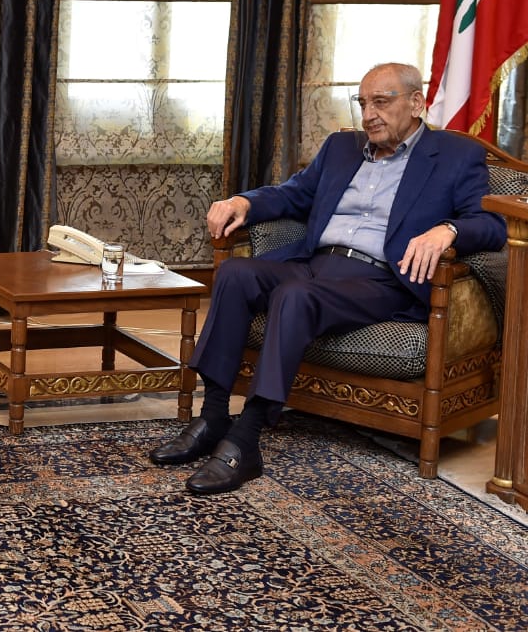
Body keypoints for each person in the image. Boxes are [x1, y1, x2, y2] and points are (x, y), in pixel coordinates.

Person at [148, 62, 507, 494]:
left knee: (295, 295)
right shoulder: (341, 147)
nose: (369, 114)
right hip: (315, 261)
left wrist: (448, 229)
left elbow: (492, 225)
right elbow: (294, 194)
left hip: (379, 279)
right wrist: (244, 201)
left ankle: (246, 438)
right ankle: (213, 416)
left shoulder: (454, 155)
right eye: (363, 103)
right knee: (236, 273)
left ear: (416, 103)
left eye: (381, 102)